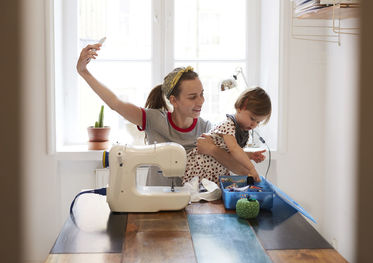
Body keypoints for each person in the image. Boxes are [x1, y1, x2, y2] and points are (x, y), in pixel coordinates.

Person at [76, 42, 252, 185]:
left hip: (194, 204)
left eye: (202, 94)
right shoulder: (154, 120)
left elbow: (240, 169)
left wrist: (213, 150)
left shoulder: (206, 128)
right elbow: (115, 103)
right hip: (157, 203)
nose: (201, 101)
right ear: (173, 100)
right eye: (192, 97)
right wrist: (84, 72)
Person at [182, 87, 271, 185]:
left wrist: (250, 155)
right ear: (241, 107)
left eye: (258, 122)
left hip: (215, 168)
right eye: (252, 118)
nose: (254, 124)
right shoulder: (229, 124)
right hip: (201, 167)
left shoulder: (242, 131)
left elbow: (232, 153)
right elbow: (234, 149)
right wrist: (251, 168)